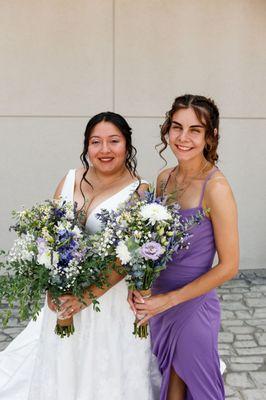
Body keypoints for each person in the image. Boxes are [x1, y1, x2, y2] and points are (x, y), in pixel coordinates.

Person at [0, 112, 159, 400]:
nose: (105, 150)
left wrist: (84, 298)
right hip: (63, 300)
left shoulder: (140, 191)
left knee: (104, 374)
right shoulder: (70, 178)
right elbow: (48, 234)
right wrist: (52, 286)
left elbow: (126, 259)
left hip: (107, 303)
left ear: (127, 145)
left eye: (114, 141)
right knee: (63, 370)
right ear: (87, 147)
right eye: (95, 142)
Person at [131, 95, 239, 400]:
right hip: (159, 307)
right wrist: (142, 285)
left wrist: (169, 300)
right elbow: (151, 243)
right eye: (177, 127)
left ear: (210, 135)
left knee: (197, 391)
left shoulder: (216, 188)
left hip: (191, 308)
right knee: (170, 390)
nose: (183, 137)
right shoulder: (164, 179)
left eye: (195, 129)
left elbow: (229, 266)